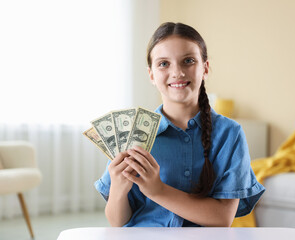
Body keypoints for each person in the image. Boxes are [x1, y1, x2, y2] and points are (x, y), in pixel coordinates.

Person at [94, 22, 265, 227]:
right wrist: (118, 190)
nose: (177, 72)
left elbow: (222, 218)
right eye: (164, 64)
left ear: (205, 68)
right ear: (151, 75)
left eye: (188, 61)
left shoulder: (230, 134)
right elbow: (117, 221)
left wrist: (158, 190)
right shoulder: (133, 134)